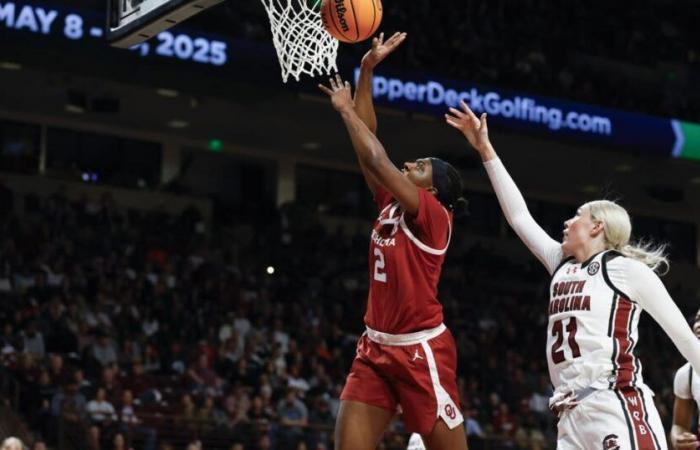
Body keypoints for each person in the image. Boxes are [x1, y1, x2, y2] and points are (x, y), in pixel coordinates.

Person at [445, 101, 700, 450]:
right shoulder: (561, 264)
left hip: (615, 404)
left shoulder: (626, 271)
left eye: (576, 216)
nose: (566, 222)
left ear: (597, 225)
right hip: (569, 415)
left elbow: (686, 341)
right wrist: (485, 149)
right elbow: (519, 218)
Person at [318, 32, 468, 450]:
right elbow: (370, 146)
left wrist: (345, 110)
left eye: (419, 167)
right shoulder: (390, 204)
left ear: (432, 191)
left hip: (421, 351)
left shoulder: (435, 216)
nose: (408, 164)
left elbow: (378, 159)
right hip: (375, 348)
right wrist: (366, 72)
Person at [670, 309, 700, 449]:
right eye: (697, 319)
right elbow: (679, 425)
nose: (699, 325)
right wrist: (677, 437)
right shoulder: (686, 373)